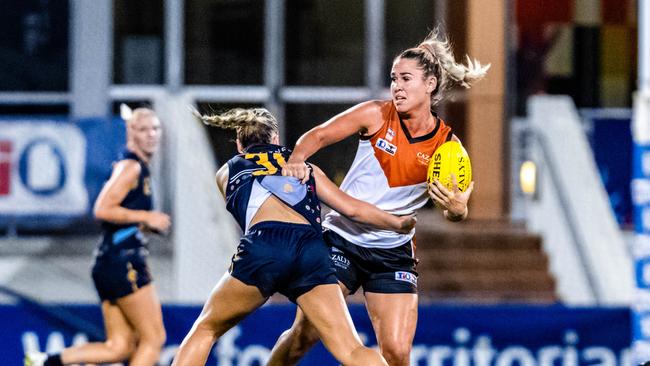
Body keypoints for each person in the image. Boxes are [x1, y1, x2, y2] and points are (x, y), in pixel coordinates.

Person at [268, 29, 489, 366]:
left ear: (430, 84)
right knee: (305, 334)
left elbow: (454, 212)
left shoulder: (448, 148)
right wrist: (296, 160)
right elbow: (318, 135)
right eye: (393, 79)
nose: (397, 87)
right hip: (342, 239)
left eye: (406, 79)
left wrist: (459, 209)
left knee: (398, 354)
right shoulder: (375, 114)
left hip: (393, 251)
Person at [171, 107, 416, 366]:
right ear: (275, 139)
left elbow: (246, 212)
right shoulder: (305, 167)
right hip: (311, 249)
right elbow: (353, 209)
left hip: (264, 243)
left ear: (240, 146)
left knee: (206, 329)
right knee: (352, 350)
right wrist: (398, 222)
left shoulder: (226, 171)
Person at [25, 108, 171, 366]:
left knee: (119, 346)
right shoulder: (131, 167)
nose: (151, 135)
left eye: (155, 129)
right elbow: (102, 209)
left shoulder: (134, 167)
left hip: (108, 260)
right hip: (123, 259)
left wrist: (143, 224)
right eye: (144, 129)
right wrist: (146, 218)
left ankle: (43, 361)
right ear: (131, 132)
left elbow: (119, 216)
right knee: (154, 338)